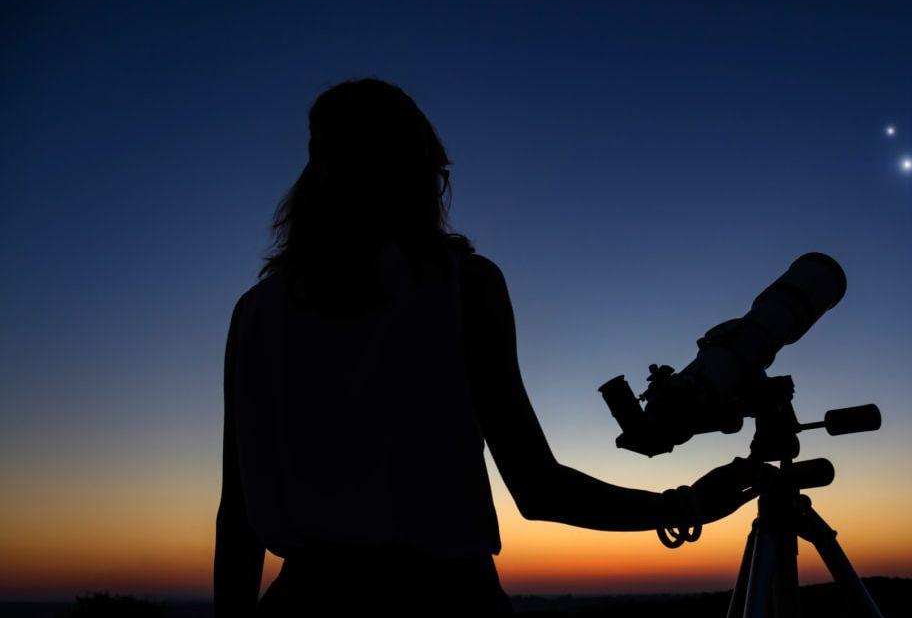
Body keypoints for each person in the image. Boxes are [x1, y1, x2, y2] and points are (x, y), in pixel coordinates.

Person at [213, 78, 768, 617]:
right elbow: (538, 488)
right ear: (421, 174)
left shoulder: (254, 312)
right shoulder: (464, 286)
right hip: (442, 597)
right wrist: (684, 506)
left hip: (300, 599)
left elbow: (236, 518)